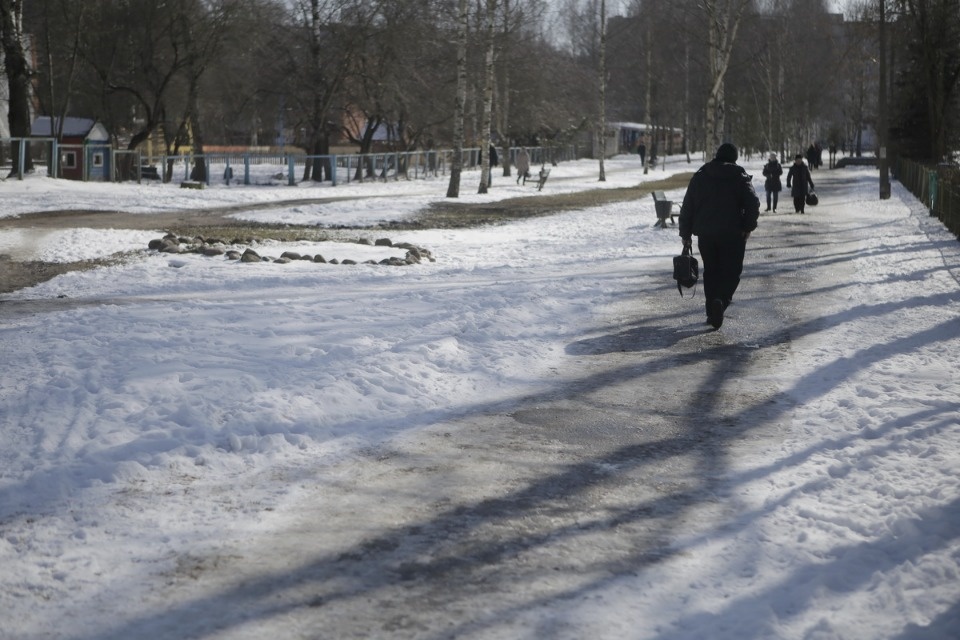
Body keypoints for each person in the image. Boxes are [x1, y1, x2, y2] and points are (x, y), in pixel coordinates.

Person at [678, 142, 761, 329]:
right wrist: (747, 227)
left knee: (711, 271)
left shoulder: (701, 175)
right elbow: (753, 203)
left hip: (706, 235)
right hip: (733, 234)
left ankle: (711, 312)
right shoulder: (739, 176)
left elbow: (688, 205)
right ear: (734, 157)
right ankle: (721, 301)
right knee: (731, 272)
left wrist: (685, 233)